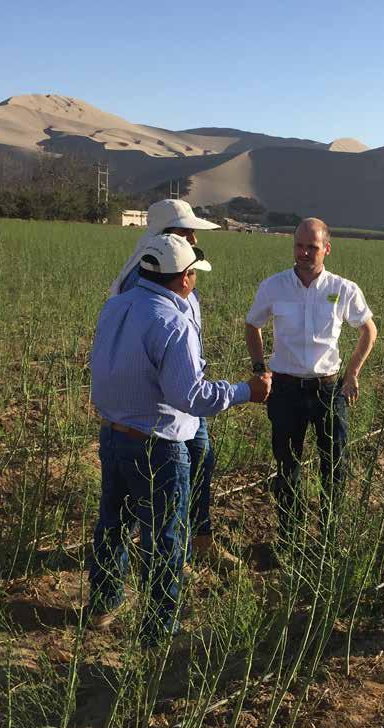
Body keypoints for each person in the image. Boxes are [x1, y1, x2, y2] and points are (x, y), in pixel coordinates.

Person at [89, 233, 271, 645]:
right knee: (164, 538)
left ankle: (103, 603)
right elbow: (191, 396)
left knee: (113, 523)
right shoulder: (173, 322)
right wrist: (246, 391)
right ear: (185, 278)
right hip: (158, 446)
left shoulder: (116, 305)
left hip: (113, 435)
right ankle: (159, 630)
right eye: (194, 274)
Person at [110, 199, 234, 569]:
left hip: (185, 389)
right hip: (164, 406)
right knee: (164, 482)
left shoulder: (174, 271)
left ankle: (198, 539)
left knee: (200, 462)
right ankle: (167, 557)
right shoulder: (141, 280)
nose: (193, 239)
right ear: (164, 234)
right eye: (186, 232)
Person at [244, 217, 377, 548]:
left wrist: (352, 373)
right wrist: (260, 369)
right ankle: (289, 538)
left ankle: (328, 540)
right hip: (285, 390)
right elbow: (252, 325)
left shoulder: (343, 289)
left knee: (334, 465)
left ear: (327, 249)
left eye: (312, 247)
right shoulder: (273, 286)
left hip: (328, 391)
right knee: (287, 466)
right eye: (299, 246)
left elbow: (368, 330)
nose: (304, 253)